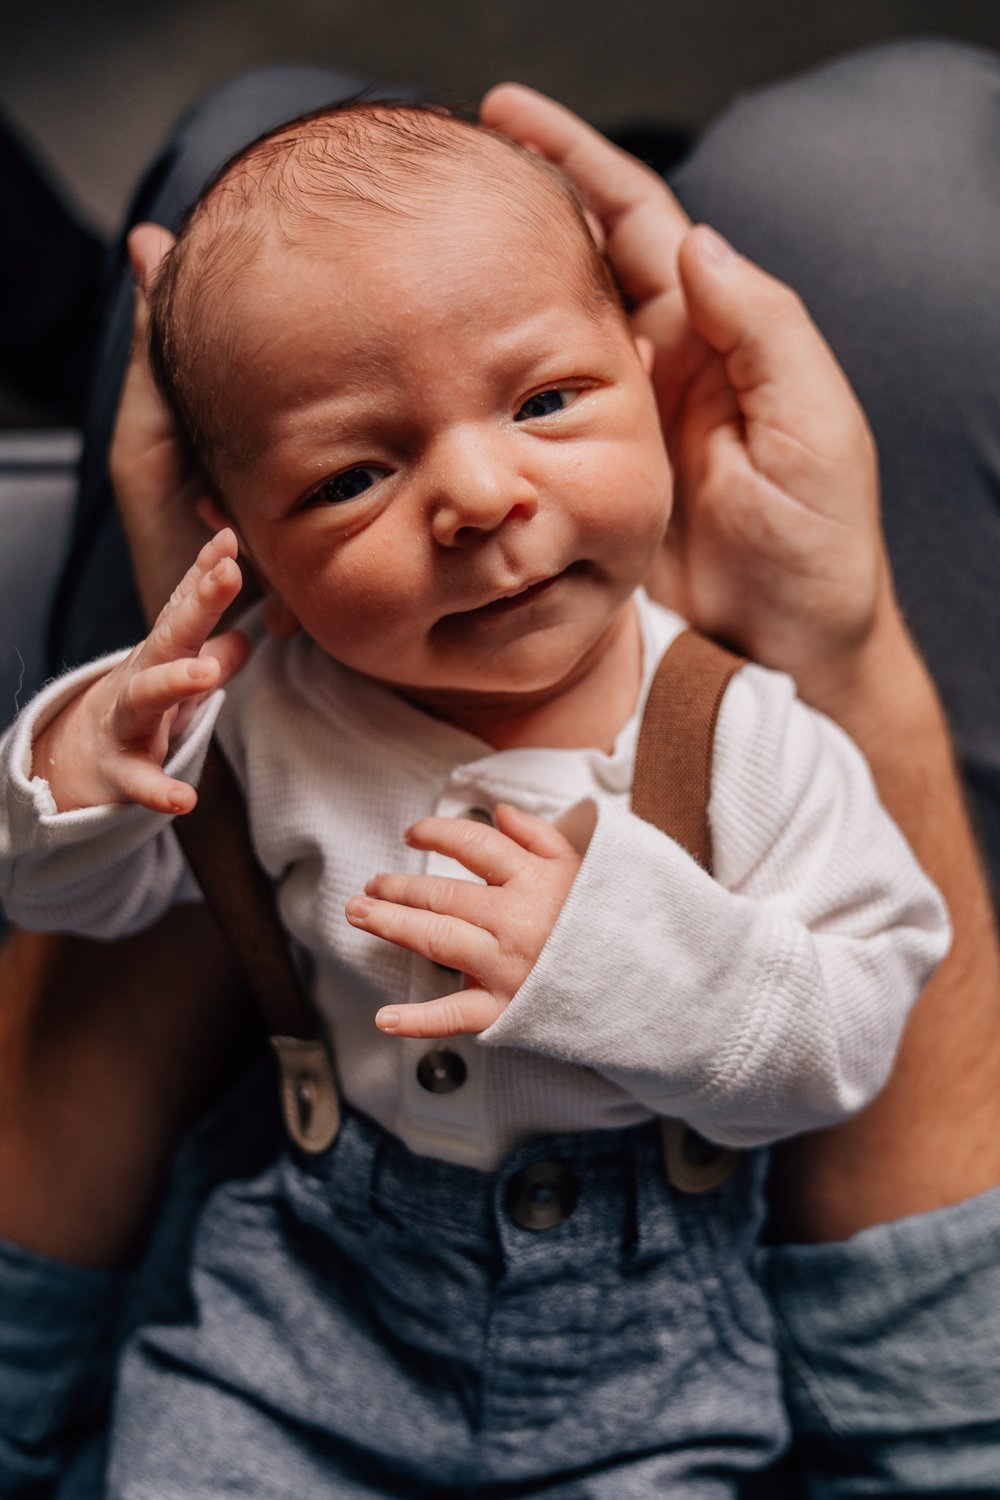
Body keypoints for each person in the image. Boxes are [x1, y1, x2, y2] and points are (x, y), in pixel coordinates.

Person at [0, 42, 998, 1496]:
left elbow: (856, 1015)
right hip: (298, 1336)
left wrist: (633, 958)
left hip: (644, 1390)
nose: (477, 496)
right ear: (240, 530)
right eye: (352, 477)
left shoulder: (738, 727)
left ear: (653, 384)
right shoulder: (271, 710)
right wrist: (85, 758)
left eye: (545, 403)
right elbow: (87, 895)